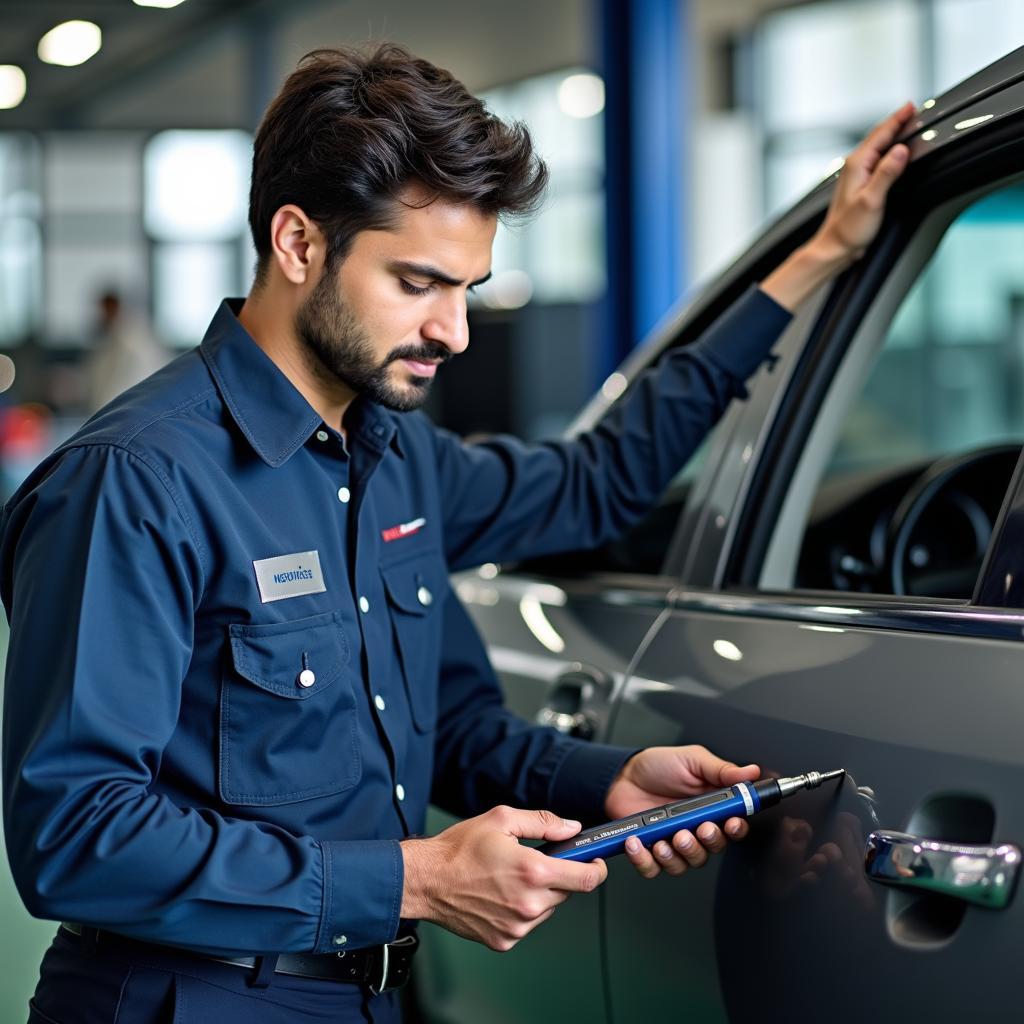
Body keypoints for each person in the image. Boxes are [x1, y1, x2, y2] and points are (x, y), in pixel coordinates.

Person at [0, 44, 913, 1024]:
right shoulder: (137, 480)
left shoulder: (395, 459)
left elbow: (589, 499)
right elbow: (75, 834)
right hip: (183, 999)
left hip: (365, 999)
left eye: (467, 288)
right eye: (419, 282)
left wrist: (608, 782)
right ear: (298, 242)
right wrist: (417, 880)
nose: (455, 330)